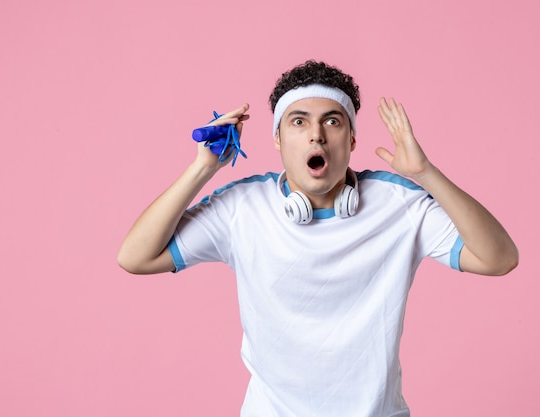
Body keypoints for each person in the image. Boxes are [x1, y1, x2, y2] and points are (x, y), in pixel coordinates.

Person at [117, 60, 518, 417]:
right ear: (277, 140)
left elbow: (499, 259)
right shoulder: (242, 208)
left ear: (352, 140)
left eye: (332, 121)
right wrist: (203, 169)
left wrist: (426, 173)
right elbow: (135, 257)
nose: (316, 136)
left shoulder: (399, 205)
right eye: (298, 121)